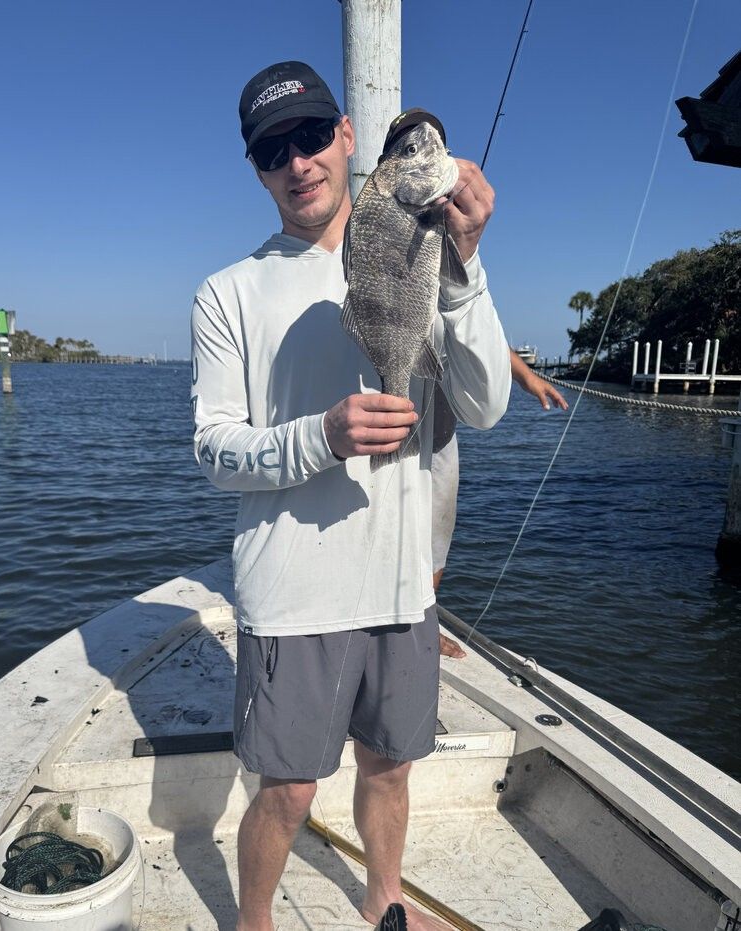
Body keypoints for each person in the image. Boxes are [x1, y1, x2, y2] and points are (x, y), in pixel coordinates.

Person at [191, 61, 511, 931]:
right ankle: (254, 921)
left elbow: (485, 405)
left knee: (390, 765)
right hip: (294, 592)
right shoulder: (227, 292)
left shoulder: (424, 250)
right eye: (273, 151)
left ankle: (384, 898)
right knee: (289, 789)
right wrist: (321, 436)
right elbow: (215, 448)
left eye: (310, 137)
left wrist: (466, 265)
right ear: (257, 170)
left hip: (403, 586)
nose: (297, 163)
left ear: (346, 138)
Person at [433, 355, 567, 660]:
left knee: (436, 538)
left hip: (439, 435)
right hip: (382, 424)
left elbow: (481, 331)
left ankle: (423, 621)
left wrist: (525, 376)